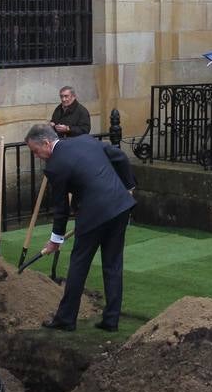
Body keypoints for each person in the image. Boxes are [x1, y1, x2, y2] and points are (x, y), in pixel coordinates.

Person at [29, 122, 136, 332]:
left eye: (35, 151)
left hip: (94, 215)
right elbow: (121, 157)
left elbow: (61, 208)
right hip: (121, 206)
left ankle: (66, 319)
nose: (36, 155)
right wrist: (129, 186)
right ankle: (111, 320)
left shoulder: (54, 166)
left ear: (46, 143)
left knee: (79, 264)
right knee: (113, 264)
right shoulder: (87, 140)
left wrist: (55, 241)